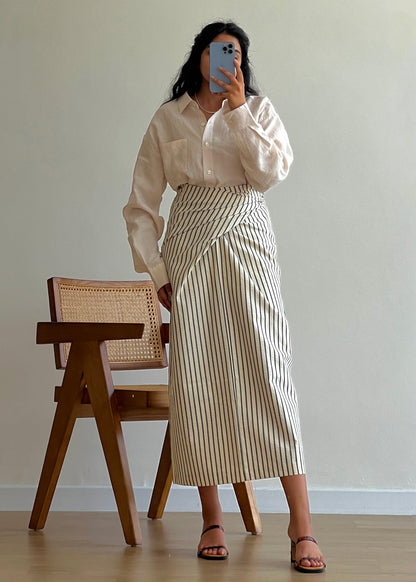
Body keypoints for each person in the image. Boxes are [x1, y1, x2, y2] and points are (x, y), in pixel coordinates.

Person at [123, 21, 326, 573]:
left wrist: (237, 110)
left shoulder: (257, 110)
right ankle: (211, 518)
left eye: (235, 52)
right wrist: (157, 271)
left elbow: (271, 173)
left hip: (247, 244)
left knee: (270, 375)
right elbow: (141, 204)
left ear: (242, 60)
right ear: (199, 55)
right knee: (197, 380)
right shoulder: (167, 118)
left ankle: (302, 525)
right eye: (218, 50)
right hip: (188, 251)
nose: (227, 59)